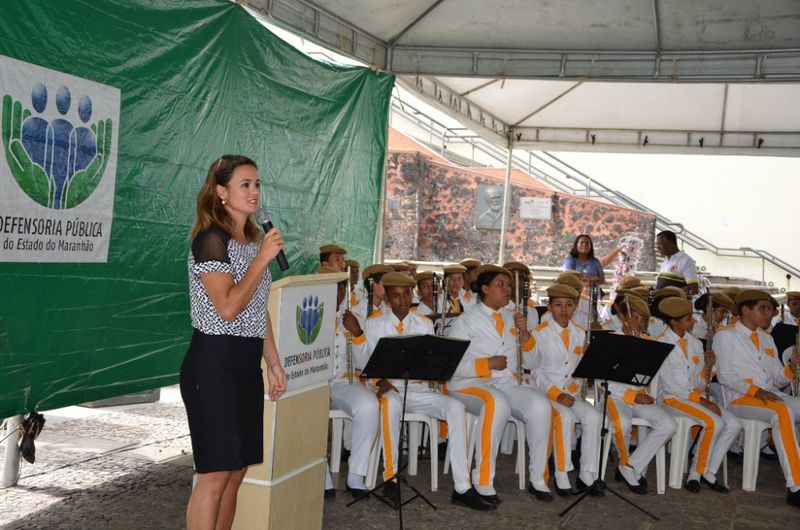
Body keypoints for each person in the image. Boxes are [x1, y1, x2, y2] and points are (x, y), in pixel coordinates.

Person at [181, 155, 288, 530]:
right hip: (213, 365)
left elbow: (257, 308)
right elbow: (227, 306)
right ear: (221, 191)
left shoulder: (253, 241)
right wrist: (261, 260)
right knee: (214, 475)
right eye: (245, 184)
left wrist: (273, 362)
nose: (254, 191)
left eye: (257, 183)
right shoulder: (212, 239)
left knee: (236, 471)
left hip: (245, 366)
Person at [363, 272, 495, 511]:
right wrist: (380, 380)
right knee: (391, 405)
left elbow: (430, 360)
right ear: (387, 299)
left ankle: (462, 487)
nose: (402, 301)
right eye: (396, 296)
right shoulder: (373, 324)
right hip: (392, 388)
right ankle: (391, 478)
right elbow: (368, 362)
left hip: (418, 388)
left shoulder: (423, 322)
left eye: (406, 295)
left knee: (455, 408)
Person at [448, 265, 554, 503]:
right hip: (469, 384)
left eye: (508, 285)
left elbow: (534, 362)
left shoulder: (514, 317)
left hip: (507, 383)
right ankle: (483, 480)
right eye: (500, 285)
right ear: (485, 289)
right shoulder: (466, 321)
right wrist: (486, 364)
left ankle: (538, 479)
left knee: (540, 405)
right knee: (496, 403)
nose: (507, 290)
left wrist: (525, 335)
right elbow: (451, 366)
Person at [713, 290, 800, 508]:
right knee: (783, 411)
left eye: (770, 309)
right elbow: (725, 376)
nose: (769, 314)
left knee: (784, 408)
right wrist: (756, 391)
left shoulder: (767, 338)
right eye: (764, 308)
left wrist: (791, 368)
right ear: (745, 310)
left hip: (771, 396)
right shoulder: (725, 335)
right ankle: (796, 484)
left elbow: (776, 379)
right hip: (740, 399)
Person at [655, 297, 741, 494]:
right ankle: (695, 473)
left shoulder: (694, 343)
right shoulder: (661, 343)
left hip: (694, 397)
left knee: (734, 424)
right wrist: (702, 401)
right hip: (672, 398)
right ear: (674, 321)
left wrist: (709, 368)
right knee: (715, 422)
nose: (693, 322)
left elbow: (699, 383)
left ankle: (709, 471)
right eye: (687, 319)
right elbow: (672, 387)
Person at [527, 284, 604, 497]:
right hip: (545, 393)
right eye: (558, 305)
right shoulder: (540, 333)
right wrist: (556, 394)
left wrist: (590, 358)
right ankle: (561, 473)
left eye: (569, 305)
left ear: (576, 307)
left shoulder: (580, 333)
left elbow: (579, 372)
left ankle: (587, 473)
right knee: (566, 417)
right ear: (549, 307)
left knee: (595, 417)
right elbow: (535, 371)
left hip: (571, 394)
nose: (564, 310)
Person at [604, 295, 676, 494]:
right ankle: (626, 464)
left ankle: (629, 465)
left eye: (642, 319)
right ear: (623, 318)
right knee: (623, 423)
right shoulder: (611, 340)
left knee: (668, 425)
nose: (638, 323)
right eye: (633, 318)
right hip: (614, 397)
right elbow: (606, 382)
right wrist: (632, 396)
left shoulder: (649, 342)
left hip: (639, 397)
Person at [317, 266, 377, 501]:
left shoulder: (350, 319)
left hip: (342, 382)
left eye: (340, 287)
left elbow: (365, 364)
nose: (336, 292)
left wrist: (358, 332)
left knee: (369, 405)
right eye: (330, 287)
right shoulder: (307, 314)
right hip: (313, 384)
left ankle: (356, 475)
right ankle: (321, 474)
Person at [655, 230, 699, 295]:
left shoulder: (686, 260)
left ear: (671, 243)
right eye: (657, 244)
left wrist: (668, 294)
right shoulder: (665, 262)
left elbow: (694, 288)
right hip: (662, 303)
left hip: (676, 303)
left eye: (660, 244)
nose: (658, 247)